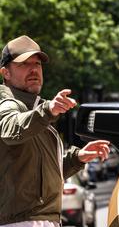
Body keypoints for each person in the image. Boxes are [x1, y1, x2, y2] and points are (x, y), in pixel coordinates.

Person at [0, 35, 111, 227]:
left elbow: (39, 175)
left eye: (37, 64)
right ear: (5, 73)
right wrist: (48, 110)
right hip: (19, 222)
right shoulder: (7, 104)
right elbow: (12, 128)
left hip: (41, 220)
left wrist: (78, 158)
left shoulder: (34, 109)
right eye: (24, 63)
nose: (34, 69)